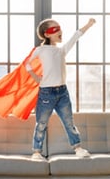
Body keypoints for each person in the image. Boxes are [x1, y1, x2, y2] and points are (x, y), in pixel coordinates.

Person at [25, 18, 96, 160]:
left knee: (69, 122)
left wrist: (88, 24)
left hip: (62, 92)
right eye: (55, 29)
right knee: (41, 123)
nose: (60, 31)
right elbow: (27, 64)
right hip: (46, 93)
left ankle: (78, 148)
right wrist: (36, 78)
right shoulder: (40, 50)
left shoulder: (61, 50)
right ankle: (37, 152)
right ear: (46, 34)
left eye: (60, 28)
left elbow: (76, 36)